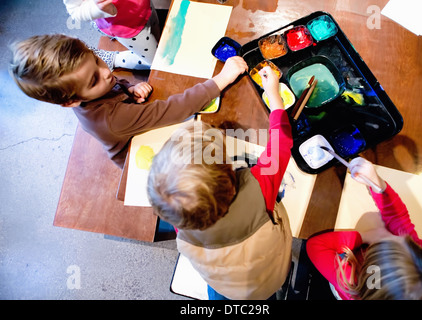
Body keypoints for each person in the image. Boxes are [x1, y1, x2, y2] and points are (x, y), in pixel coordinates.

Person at [147, 66, 293, 300]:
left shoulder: (181, 219)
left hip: (225, 284)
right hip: (270, 276)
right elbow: (281, 142)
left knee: (222, 294)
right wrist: (274, 98)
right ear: (231, 175)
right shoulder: (260, 188)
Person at [9, 34, 248, 168]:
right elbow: (174, 109)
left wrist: (128, 88)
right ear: (70, 101)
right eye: (93, 80)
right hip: (137, 153)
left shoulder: (93, 91)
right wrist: (221, 79)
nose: (107, 73)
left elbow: (109, 88)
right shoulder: (111, 120)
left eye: (98, 61)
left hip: (132, 120)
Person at [306, 157, 422, 300]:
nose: (399, 234)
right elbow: (398, 217)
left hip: (342, 269)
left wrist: (366, 236)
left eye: (390, 240)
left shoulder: (354, 284)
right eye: (410, 243)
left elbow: (316, 246)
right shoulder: (419, 270)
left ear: (372, 268)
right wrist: (377, 183)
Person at [63, 0, 160, 68]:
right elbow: (75, 12)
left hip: (144, 7)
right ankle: (113, 59)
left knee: (159, 34)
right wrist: (99, 9)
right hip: (126, 28)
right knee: (157, 62)